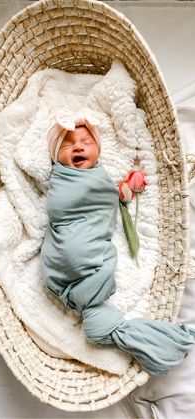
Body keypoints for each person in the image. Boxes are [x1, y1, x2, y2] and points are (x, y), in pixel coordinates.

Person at [40, 110, 195, 376]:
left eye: (86, 143)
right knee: (76, 253)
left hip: (87, 254)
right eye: (67, 144)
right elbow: (61, 207)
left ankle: (98, 311)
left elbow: (110, 202)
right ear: (57, 157)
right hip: (61, 254)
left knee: (92, 255)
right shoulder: (60, 178)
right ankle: (105, 316)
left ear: (98, 152)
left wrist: (128, 187)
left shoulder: (100, 178)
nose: (77, 146)